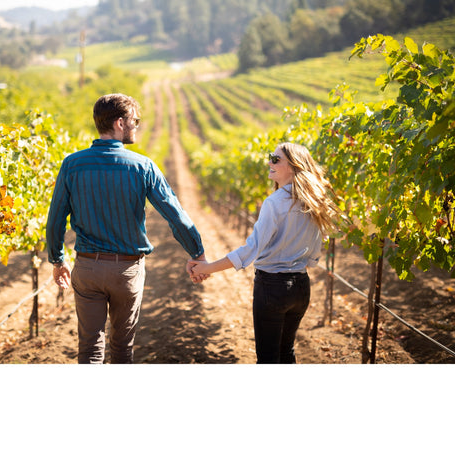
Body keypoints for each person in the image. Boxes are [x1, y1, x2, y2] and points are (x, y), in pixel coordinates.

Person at [46, 93, 206, 364]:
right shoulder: (143, 166)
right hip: (127, 271)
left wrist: (57, 259)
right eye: (135, 120)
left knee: (89, 348)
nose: (137, 125)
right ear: (120, 123)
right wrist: (197, 252)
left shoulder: (72, 164)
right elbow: (175, 215)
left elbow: (55, 219)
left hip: (87, 269)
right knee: (122, 349)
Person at [188, 142, 340, 363]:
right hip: (301, 287)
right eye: (271, 157)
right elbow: (315, 251)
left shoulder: (275, 202)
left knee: (268, 359)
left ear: (294, 166)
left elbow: (251, 249)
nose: (269, 162)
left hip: (273, 288)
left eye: (276, 159)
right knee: (286, 352)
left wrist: (208, 267)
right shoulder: (312, 201)